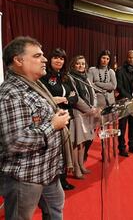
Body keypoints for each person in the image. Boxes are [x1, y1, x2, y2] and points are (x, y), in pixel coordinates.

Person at [0, 36, 70, 219]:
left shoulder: (35, 85)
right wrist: (53, 126)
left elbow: (41, 117)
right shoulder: (12, 93)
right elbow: (15, 142)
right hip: (25, 176)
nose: (45, 59)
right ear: (18, 60)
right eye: (38, 55)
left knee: (55, 209)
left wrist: (56, 117)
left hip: (48, 171)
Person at [40, 48, 78, 191]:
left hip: (67, 116)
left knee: (65, 150)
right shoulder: (44, 76)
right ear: (50, 59)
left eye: (61, 58)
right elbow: (46, 97)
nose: (59, 60)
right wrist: (55, 99)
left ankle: (63, 180)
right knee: (55, 150)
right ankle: (53, 181)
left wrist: (64, 99)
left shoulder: (66, 76)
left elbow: (75, 97)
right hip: (52, 118)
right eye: (56, 57)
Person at [68, 55, 97, 179]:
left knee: (84, 141)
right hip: (78, 112)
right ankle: (75, 168)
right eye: (78, 63)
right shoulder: (70, 77)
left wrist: (94, 107)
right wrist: (89, 109)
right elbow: (76, 98)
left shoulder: (86, 77)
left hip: (88, 112)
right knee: (77, 141)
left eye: (83, 64)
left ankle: (81, 164)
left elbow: (93, 94)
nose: (81, 66)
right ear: (73, 64)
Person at [116, 50, 133, 157]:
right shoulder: (120, 70)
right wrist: (129, 98)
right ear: (126, 57)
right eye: (129, 58)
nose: (131, 60)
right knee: (122, 126)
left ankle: (132, 146)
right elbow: (119, 86)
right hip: (124, 102)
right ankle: (122, 148)